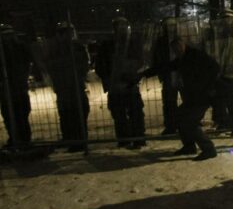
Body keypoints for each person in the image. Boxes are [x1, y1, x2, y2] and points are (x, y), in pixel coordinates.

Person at [142, 37, 220, 161]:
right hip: (193, 97)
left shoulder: (196, 55)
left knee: (190, 122)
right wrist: (143, 74)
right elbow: (166, 66)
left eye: (178, 48)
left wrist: (208, 87)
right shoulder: (182, 59)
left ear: (183, 45)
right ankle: (189, 146)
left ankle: (209, 149)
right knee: (179, 117)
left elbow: (215, 68)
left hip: (202, 97)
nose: (177, 51)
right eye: (174, 50)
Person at [94, 17, 146, 149]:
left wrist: (133, 76)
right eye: (118, 27)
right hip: (116, 86)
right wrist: (108, 77)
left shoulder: (132, 44)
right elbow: (100, 65)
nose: (121, 30)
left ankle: (137, 138)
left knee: (134, 112)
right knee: (120, 113)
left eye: (123, 27)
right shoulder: (108, 46)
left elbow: (140, 62)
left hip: (129, 85)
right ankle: (126, 139)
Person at [46, 22, 90, 152]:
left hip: (70, 86)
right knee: (70, 114)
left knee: (74, 113)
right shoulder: (71, 48)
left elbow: (82, 65)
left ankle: (77, 141)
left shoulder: (71, 48)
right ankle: (74, 140)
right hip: (68, 86)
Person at [0, 24, 32, 150]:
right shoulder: (20, 47)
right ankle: (20, 139)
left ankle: (20, 139)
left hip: (14, 87)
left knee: (17, 113)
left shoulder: (18, 48)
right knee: (16, 114)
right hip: (13, 87)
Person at [152, 17, 180, 135]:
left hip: (181, 74)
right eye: (168, 27)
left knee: (186, 101)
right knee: (169, 102)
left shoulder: (180, 39)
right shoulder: (160, 41)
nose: (170, 29)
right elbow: (156, 58)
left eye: (172, 26)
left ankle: (185, 124)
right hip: (168, 75)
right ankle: (170, 125)